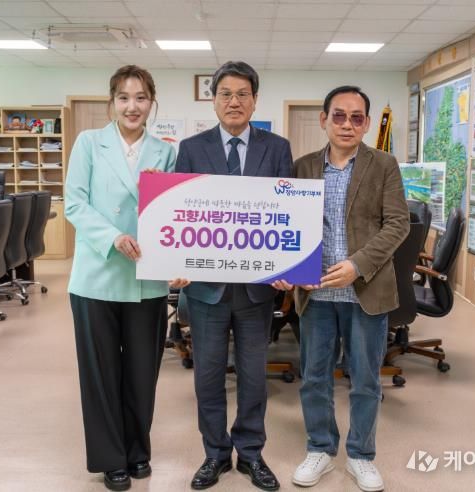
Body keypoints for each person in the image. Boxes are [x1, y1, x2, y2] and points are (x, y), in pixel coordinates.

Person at [272, 86, 409, 492]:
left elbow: (397, 224)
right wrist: (283, 268)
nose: (347, 124)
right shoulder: (302, 167)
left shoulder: (384, 165)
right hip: (315, 295)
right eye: (339, 115)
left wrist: (357, 265)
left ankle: (361, 456)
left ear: (366, 124)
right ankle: (320, 448)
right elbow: (283, 221)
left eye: (356, 117)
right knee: (315, 378)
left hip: (366, 292)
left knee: (365, 380)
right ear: (324, 120)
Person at [65, 64, 188, 491]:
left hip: (147, 279)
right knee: (100, 373)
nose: (132, 106)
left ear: (152, 103)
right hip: (97, 275)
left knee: (141, 373)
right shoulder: (88, 143)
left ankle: (137, 451)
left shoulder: (166, 152)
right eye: (123, 97)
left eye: (140, 98)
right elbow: (74, 203)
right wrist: (113, 236)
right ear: (112, 102)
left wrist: (179, 262)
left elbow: (175, 212)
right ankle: (110, 458)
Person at [175, 61, 293, 491]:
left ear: (255, 100)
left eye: (243, 94)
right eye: (225, 93)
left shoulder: (276, 148)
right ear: (214, 100)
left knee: (253, 377)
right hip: (206, 289)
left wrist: (288, 267)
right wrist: (176, 263)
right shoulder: (191, 148)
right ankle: (215, 454)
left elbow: (287, 212)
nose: (234, 102)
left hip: (256, 290)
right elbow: (180, 210)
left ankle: (252, 454)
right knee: (207, 376)